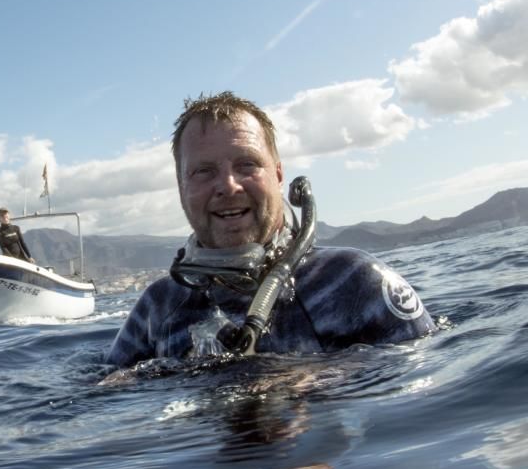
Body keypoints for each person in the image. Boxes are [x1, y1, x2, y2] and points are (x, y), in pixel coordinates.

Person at [107, 91, 435, 367]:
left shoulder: (353, 281)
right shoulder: (158, 307)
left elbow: (424, 382)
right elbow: (100, 401)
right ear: (181, 188)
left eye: (246, 164)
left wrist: (331, 378)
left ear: (278, 175)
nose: (228, 185)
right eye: (204, 171)